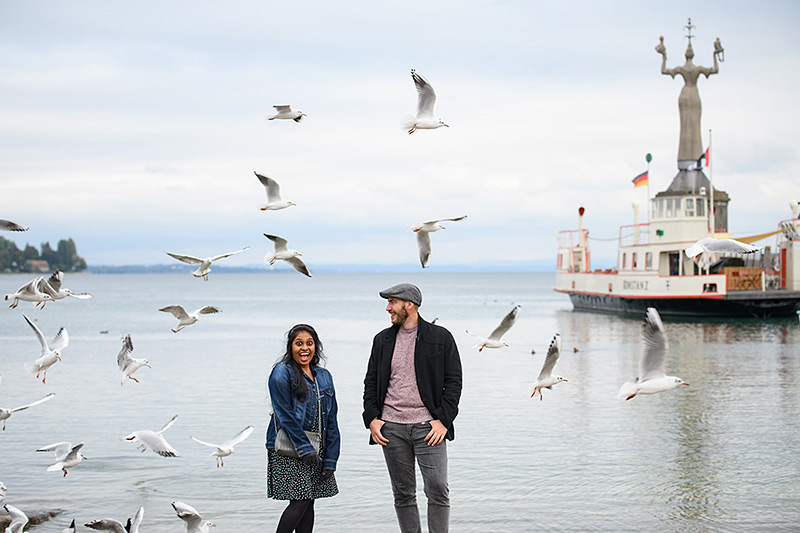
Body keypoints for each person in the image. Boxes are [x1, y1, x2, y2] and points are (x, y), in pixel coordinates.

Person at [363, 283, 463, 533]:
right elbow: (371, 381)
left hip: (428, 428)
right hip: (391, 428)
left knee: (438, 489)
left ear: (410, 304)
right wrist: (372, 419)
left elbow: (454, 382)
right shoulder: (382, 340)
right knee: (403, 494)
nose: (388, 308)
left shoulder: (440, 337)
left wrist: (443, 421)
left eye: (392, 302)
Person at [266, 324, 340, 533]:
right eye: (299, 343)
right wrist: (304, 448)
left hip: (318, 448)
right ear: (291, 347)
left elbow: (332, 419)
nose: (304, 348)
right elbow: (284, 415)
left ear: (316, 347)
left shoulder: (324, 375)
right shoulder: (281, 372)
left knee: (309, 501)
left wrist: (331, 458)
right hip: (290, 447)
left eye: (309, 343)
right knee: (300, 500)